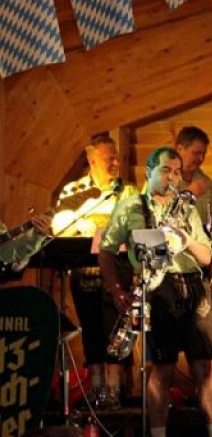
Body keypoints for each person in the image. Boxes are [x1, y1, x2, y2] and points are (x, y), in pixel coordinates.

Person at [97, 147, 212, 437]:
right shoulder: (130, 206)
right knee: (162, 368)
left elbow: (206, 257)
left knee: (207, 368)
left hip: (194, 287)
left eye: (177, 172)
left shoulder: (187, 208)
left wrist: (186, 240)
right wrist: (117, 291)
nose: (173, 178)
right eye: (166, 170)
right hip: (157, 289)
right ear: (148, 172)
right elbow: (106, 252)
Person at [53, 134, 139, 409]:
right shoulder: (74, 191)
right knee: (90, 327)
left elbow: (136, 225)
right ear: (91, 160)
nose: (115, 163)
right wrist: (88, 225)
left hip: (118, 272)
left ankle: (113, 389)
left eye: (116, 157)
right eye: (108, 158)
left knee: (114, 327)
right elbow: (59, 227)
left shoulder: (128, 191)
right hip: (84, 270)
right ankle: (97, 388)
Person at [174, 126, 212, 226]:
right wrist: (187, 194)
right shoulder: (160, 179)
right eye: (196, 153)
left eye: (203, 154)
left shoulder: (207, 183)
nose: (201, 159)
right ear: (180, 149)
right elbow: (154, 217)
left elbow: (211, 221)